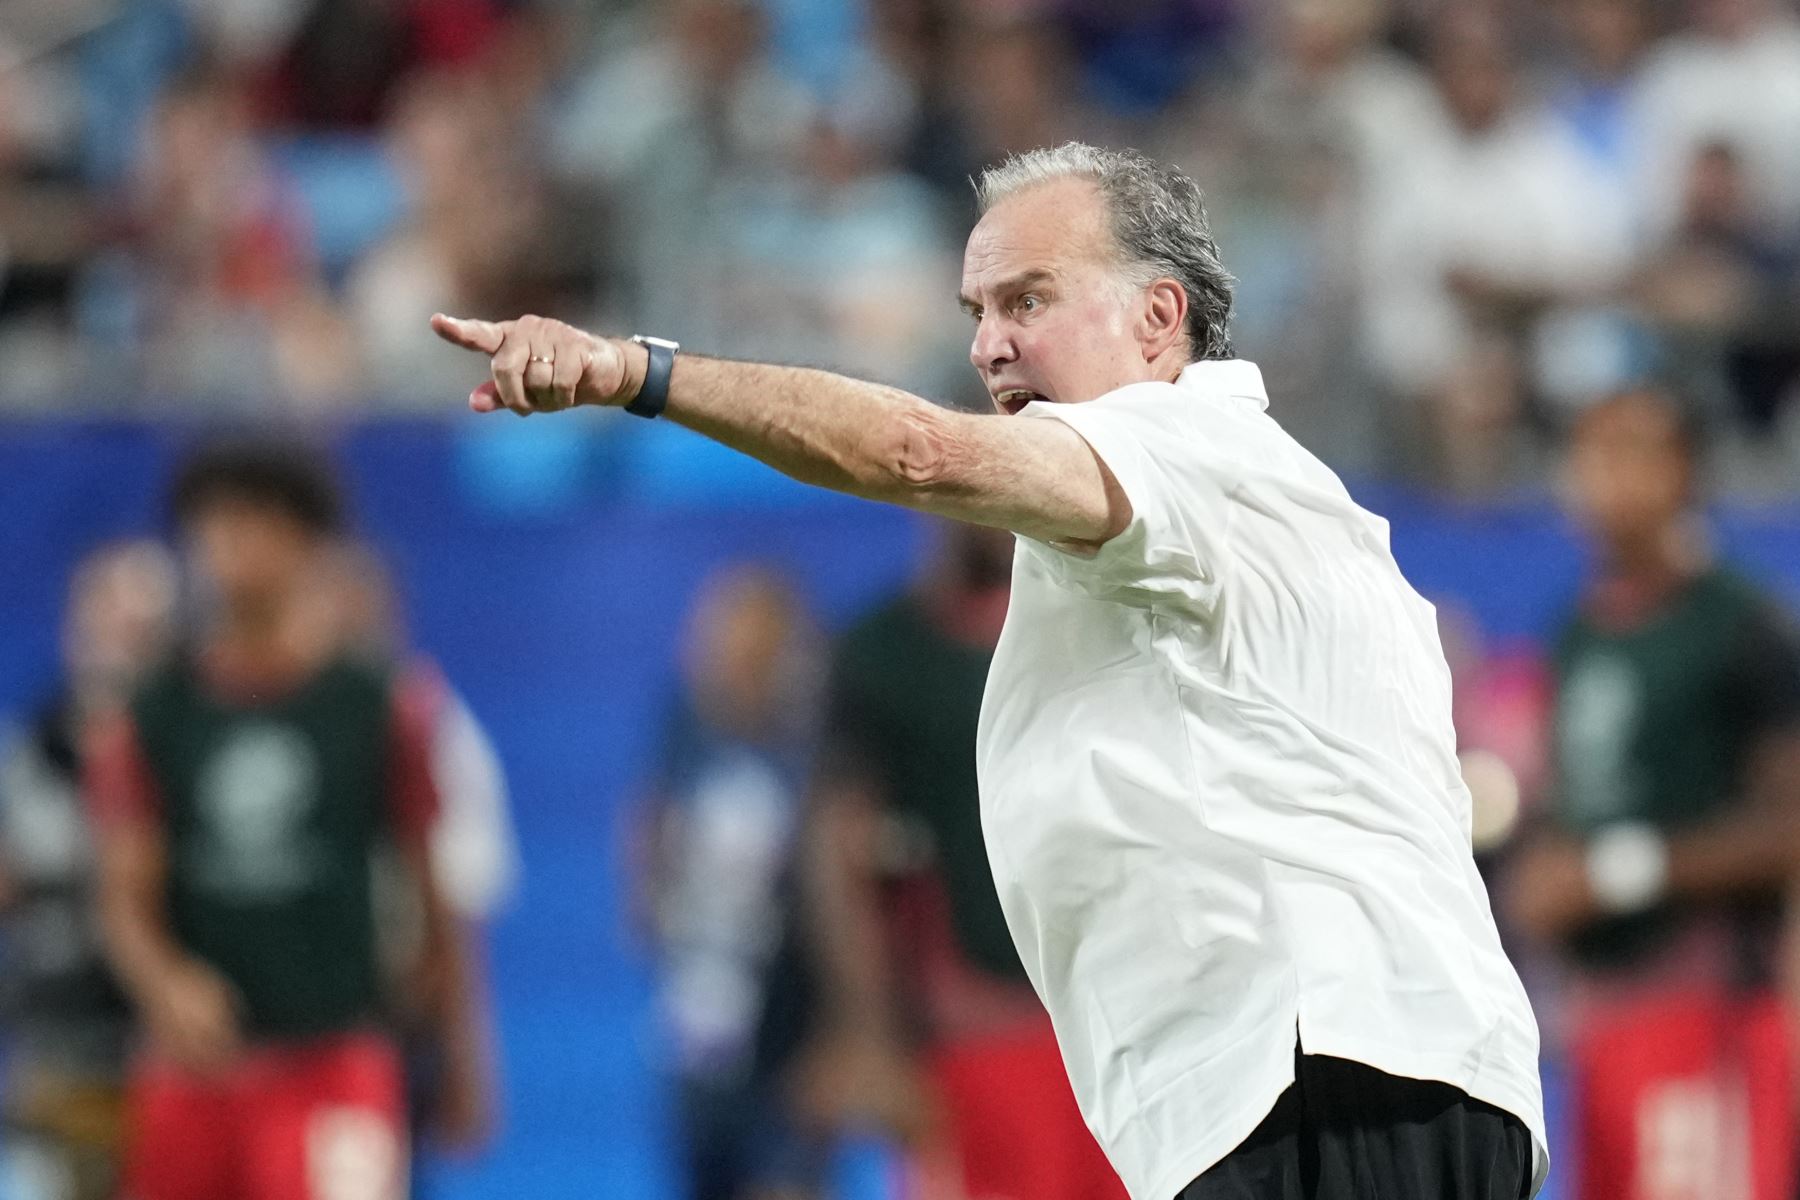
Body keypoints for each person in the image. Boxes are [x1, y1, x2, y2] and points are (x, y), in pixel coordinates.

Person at [432, 141, 1548, 1200]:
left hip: (1315, 1072)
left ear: (1159, 320)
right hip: (1389, 1071)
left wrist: (637, 371)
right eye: (977, 311)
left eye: (1028, 299)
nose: (987, 347)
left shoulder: (1175, 449)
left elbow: (920, 452)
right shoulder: (1284, 503)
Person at [85, 442, 486, 1200]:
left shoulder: (379, 706)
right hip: (194, 1075)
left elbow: (436, 896)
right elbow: (123, 893)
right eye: (215, 522)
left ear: (309, 542)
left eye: (258, 520)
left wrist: (462, 1059)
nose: (233, 544)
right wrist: (166, 981)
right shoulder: (153, 715)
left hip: (335, 1059)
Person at [1505, 387, 1800, 1200]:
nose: (1600, 478)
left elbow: (1788, 828)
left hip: (1709, 1007)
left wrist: (1612, 872)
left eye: (1630, 452)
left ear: (1686, 473)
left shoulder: (1739, 623)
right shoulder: (1577, 630)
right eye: (1589, 454)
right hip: (1601, 1018)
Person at [799, 519, 1125, 1200]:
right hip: (976, 1037)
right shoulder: (885, 655)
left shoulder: (1103, 626)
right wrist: (869, 1036)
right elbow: (839, 853)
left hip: (1121, 1029)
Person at [636, 564, 822, 1200]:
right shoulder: (685, 730)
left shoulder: (813, 752)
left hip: (789, 1044)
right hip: (701, 1037)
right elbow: (651, 823)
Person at [0, 540, 178, 1200]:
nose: (120, 644)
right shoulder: (29, 753)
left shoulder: (202, 750)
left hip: (182, 1066)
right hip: (60, 1062)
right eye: (104, 618)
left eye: (142, 627)